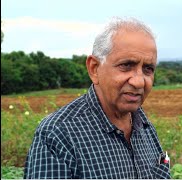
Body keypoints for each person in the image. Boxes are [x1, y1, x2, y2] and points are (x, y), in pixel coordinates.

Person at [24, 17, 171, 179]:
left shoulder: (144, 126)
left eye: (148, 69)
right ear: (94, 69)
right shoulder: (57, 135)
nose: (138, 81)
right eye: (126, 65)